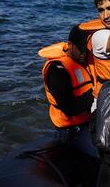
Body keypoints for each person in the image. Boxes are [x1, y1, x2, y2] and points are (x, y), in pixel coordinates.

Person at [40, 25, 97, 158]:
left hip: (89, 121)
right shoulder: (57, 69)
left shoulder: (84, 61)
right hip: (70, 129)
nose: (85, 54)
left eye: (88, 50)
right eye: (81, 49)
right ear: (70, 45)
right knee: (102, 155)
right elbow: (70, 108)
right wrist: (97, 92)